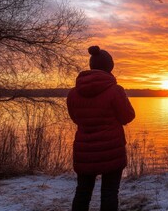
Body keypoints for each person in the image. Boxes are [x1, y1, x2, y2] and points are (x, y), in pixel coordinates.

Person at [67, 45, 135, 211]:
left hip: (84, 151)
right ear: (110, 67)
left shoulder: (73, 93)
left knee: (82, 191)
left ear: (91, 65)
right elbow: (128, 116)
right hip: (110, 151)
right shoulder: (115, 91)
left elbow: (76, 118)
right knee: (110, 192)